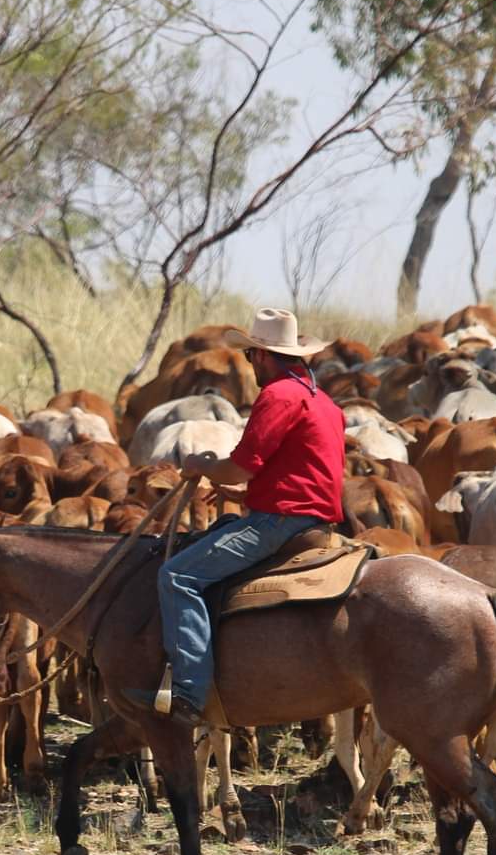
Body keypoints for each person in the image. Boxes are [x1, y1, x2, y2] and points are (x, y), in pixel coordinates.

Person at [125, 308, 347, 725]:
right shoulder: (324, 401)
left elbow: (241, 465)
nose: (250, 365)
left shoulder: (279, 395)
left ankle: (189, 693)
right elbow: (302, 468)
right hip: (313, 519)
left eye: (250, 356)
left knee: (177, 576)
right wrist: (245, 493)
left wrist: (203, 465)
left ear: (261, 355)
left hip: (280, 523)